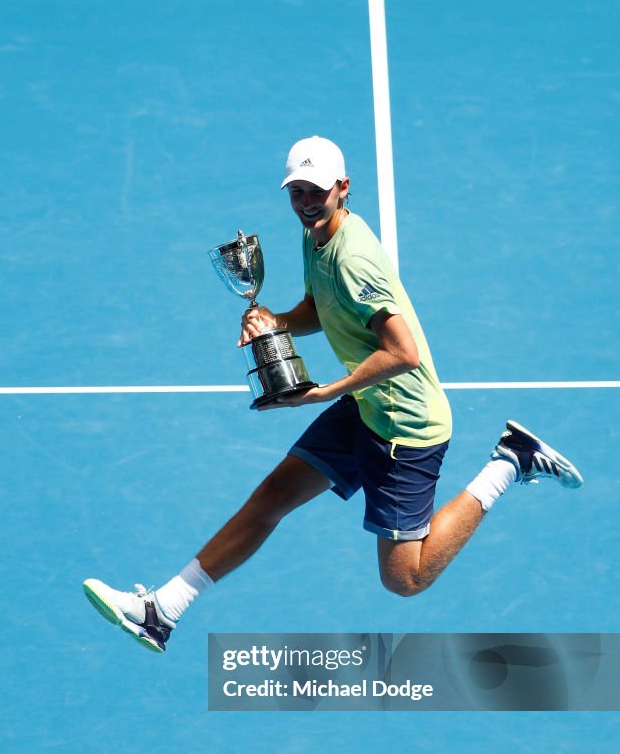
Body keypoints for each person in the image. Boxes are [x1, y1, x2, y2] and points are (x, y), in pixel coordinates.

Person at [83, 136, 583, 654]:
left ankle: (511, 461)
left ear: (342, 188)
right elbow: (320, 308)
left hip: (405, 428)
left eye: (315, 191)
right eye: (296, 191)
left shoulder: (354, 261)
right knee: (273, 495)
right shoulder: (315, 236)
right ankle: (163, 609)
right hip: (369, 406)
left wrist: (324, 393)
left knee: (405, 579)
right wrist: (273, 322)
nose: (304, 202)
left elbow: (403, 352)